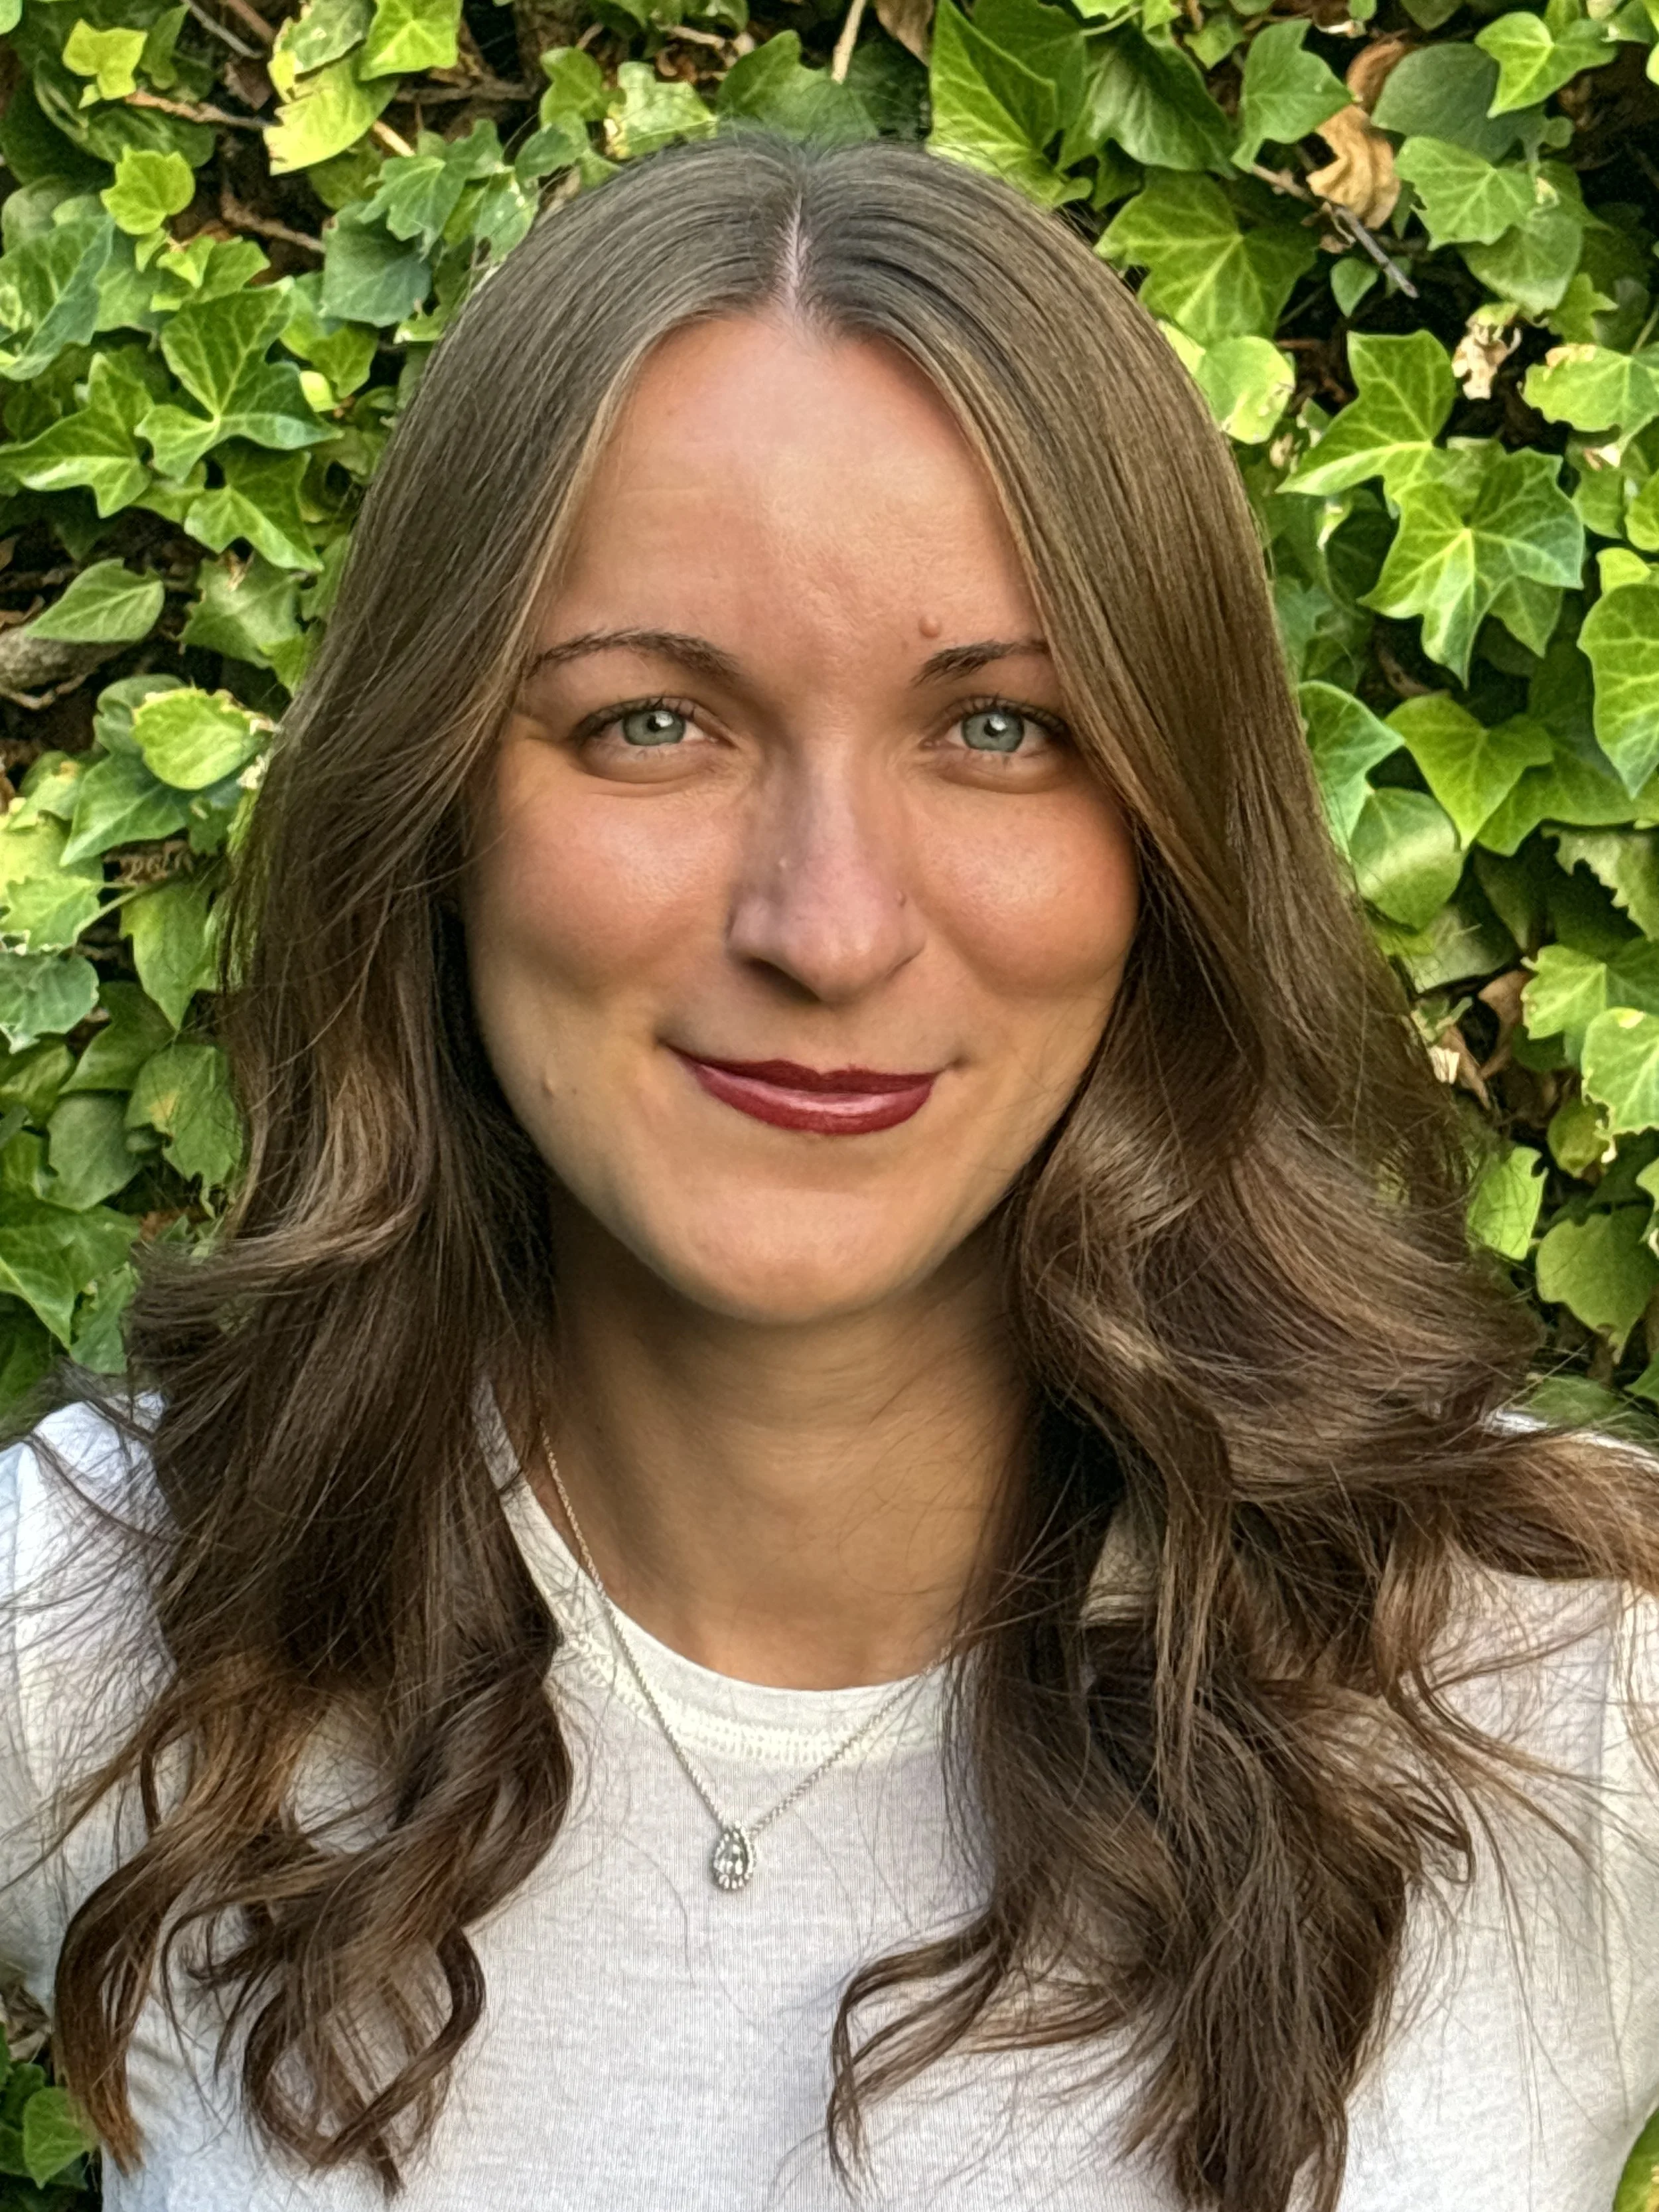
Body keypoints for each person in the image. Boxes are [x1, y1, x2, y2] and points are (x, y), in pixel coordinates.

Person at [2, 126, 1658, 2212]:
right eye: (649, 723)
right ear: (432, 805)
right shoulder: (112, 1627)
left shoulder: (1564, 1679)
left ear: (1167, 832)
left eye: (1000, 730)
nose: (829, 925)